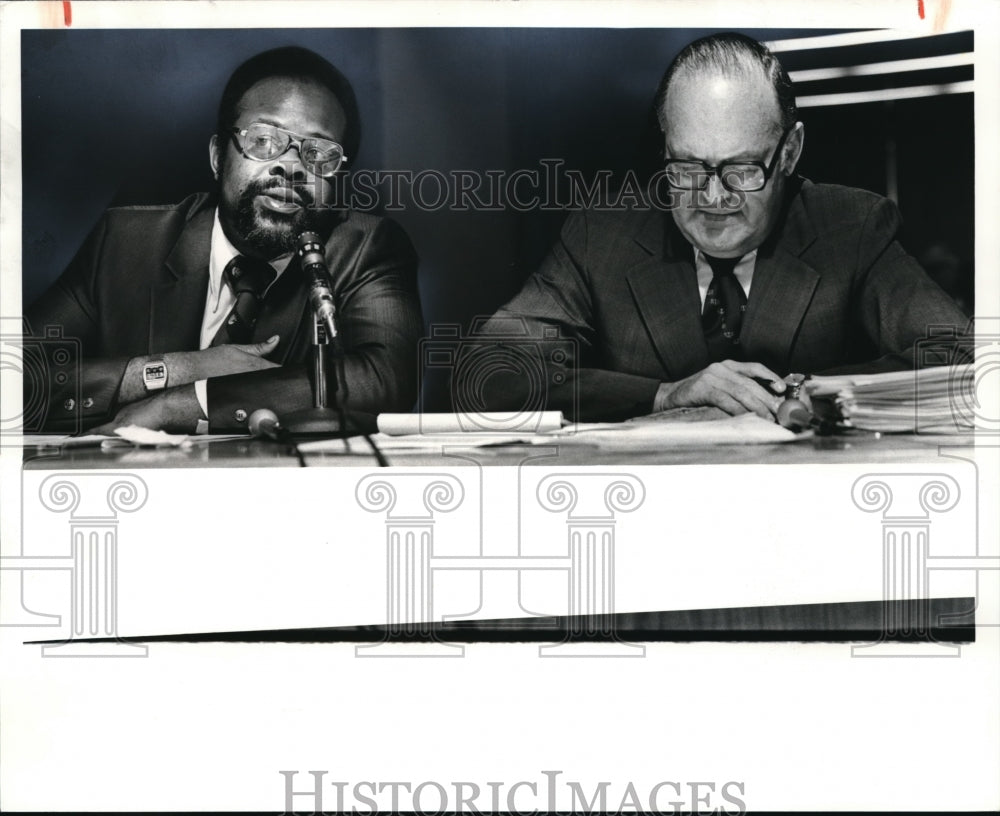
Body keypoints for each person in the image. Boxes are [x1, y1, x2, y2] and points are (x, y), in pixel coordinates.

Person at [479, 33, 969, 422]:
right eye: (688, 167)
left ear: (790, 152)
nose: (713, 197)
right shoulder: (602, 235)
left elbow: (959, 357)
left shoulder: (852, 228)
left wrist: (799, 392)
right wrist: (665, 395)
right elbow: (492, 369)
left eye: (741, 169)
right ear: (666, 147)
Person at [25, 46, 422, 433]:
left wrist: (184, 401)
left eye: (318, 153)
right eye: (263, 140)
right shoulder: (126, 243)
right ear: (218, 157)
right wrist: (177, 370)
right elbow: (17, 373)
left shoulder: (364, 248)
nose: (290, 166)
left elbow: (385, 382)